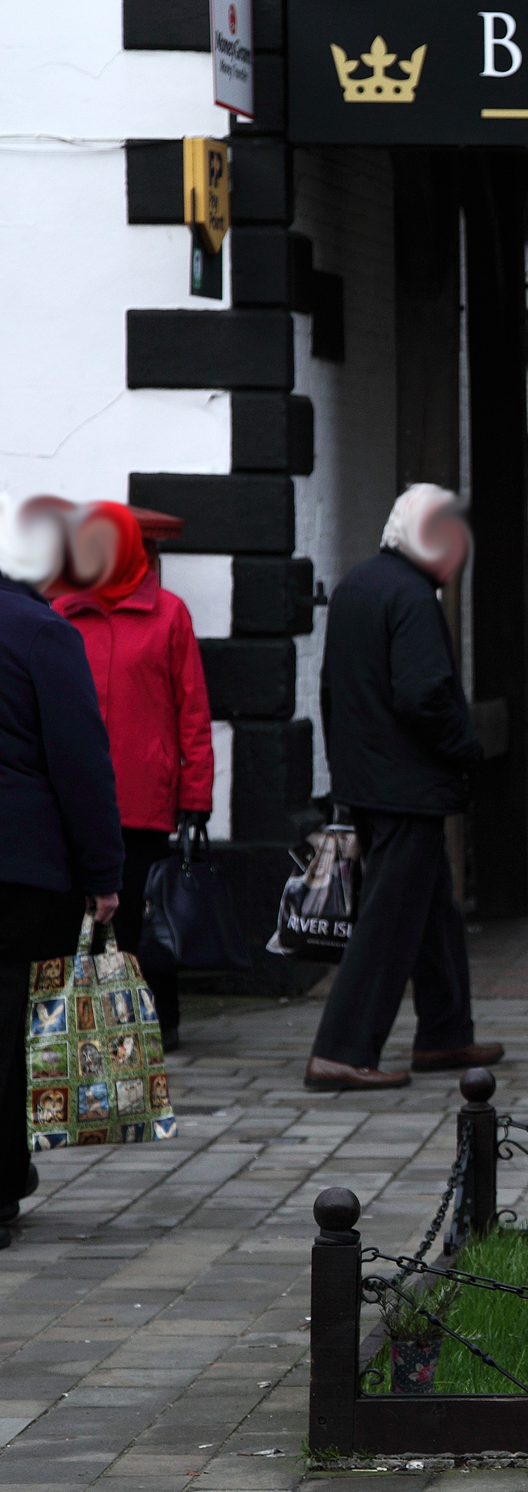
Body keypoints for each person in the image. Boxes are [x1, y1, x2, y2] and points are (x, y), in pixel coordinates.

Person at [306, 485, 501, 1090]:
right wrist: (467, 750)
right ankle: (341, 1049)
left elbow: (333, 687)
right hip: (407, 785)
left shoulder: (358, 585)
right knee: (389, 921)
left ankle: (445, 1033)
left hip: (370, 779)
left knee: (433, 910)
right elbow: (424, 695)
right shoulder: (413, 596)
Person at [0, 494, 123, 1248]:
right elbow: (81, 765)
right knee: (9, 1027)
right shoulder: (43, 632)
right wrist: (104, 872)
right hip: (20, 869)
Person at [53, 503, 213, 1051]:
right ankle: (85, 1023)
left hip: (143, 796)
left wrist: (196, 793)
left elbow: (192, 710)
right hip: (74, 795)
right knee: (78, 918)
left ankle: (156, 1020)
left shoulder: (169, 615)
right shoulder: (64, 612)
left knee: (141, 920)